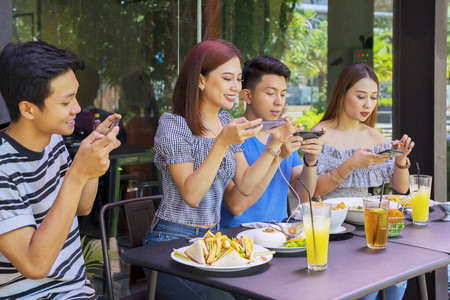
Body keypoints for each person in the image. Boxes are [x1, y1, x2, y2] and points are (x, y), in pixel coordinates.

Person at [143, 40, 300, 299]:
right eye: (227, 78)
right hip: (168, 243)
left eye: (238, 79)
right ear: (201, 80)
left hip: (212, 242)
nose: (236, 87)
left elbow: (247, 185)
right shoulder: (173, 125)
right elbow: (191, 195)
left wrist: (276, 148)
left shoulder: (224, 121)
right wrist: (222, 142)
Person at [0, 41, 121, 299]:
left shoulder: (53, 139)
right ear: (28, 109)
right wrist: (77, 174)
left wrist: (92, 160)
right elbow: (35, 265)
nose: (77, 107)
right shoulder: (3, 165)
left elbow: (82, 208)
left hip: (76, 292)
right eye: (67, 101)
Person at [311, 63, 413, 300]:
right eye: (360, 96)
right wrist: (350, 165)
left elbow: (402, 188)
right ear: (342, 94)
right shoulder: (320, 134)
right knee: (366, 292)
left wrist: (401, 159)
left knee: (399, 280)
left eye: (374, 97)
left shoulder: (373, 135)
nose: (368, 105)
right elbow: (312, 191)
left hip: (368, 227)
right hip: (333, 232)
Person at [220, 56, 323, 229]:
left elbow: (303, 198)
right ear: (247, 95)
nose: (279, 101)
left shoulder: (283, 134)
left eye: (283, 94)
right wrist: (278, 154)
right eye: (270, 93)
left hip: (279, 234)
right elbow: (236, 206)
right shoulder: (231, 136)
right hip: (237, 239)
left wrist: (310, 161)